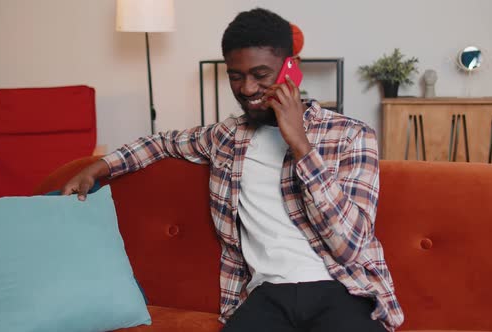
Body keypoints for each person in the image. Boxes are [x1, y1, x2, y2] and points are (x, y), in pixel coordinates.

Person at [62, 8, 403, 332]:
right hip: (267, 295)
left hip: (340, 288)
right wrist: (99, 166)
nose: (248, 89)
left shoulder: (351, 135)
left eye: (261, 75)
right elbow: (161, 143)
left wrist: (301, 145)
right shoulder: (226, 137)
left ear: (290, 69)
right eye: (236, 77)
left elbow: (352, 246)